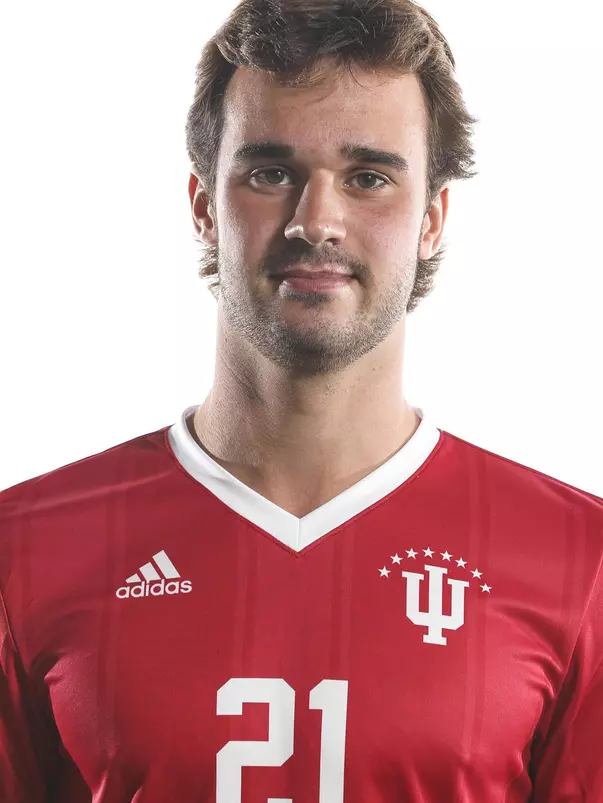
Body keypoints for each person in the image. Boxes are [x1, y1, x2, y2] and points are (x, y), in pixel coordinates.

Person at [1, 0, 602, 800]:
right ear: (203, 206)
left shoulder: (577, 560)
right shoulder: (26, 549)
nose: (316, 221)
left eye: (368, 177)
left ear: (431, 219)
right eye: (271, 173)